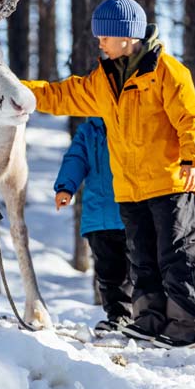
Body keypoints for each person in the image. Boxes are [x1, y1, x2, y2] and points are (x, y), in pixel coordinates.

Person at [23, 0, 195, 348]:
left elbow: (192, 119)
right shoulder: (103, 80)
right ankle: (149, 321)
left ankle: (188, 328)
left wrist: (193, 159)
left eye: (104, 37)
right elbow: (62, 94)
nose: (100, 43)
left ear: (126, 36)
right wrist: (19, 91)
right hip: (129, 188)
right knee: (142, 260)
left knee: (175, 256)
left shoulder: (167, 71)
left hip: (169, 182)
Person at [54, 117, 132, 334]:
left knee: (138, 270)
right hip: (98, 216)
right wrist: (65, 187)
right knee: (108, 273)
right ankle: (119, 317)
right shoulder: (89, 130)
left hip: (130, 212)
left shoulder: (131, 123)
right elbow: (75, 159)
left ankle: (145, 317)